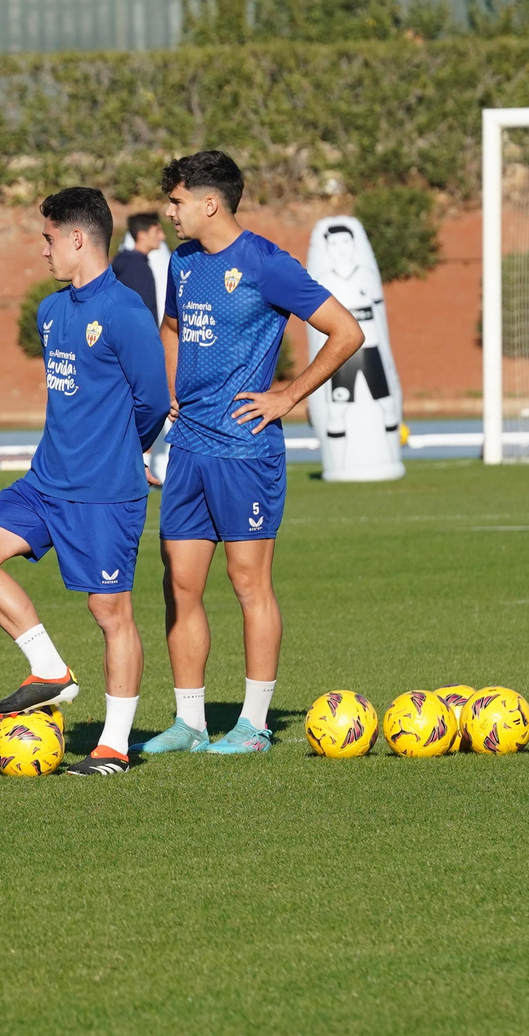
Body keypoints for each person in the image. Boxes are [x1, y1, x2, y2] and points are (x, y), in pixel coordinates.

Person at [140, 150, 364, 755]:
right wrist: (169, 396)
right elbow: (172, 327)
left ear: (210, 203)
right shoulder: (183, 264)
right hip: (188, 448)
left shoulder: (267, 263)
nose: (170, 212)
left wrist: (289, 394)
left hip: (245, 450)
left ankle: (255, 724)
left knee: (248, 582)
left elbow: (346, 331)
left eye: (178, 201)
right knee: (180, 583)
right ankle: (190, 723)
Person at [0, 188, 169, 776]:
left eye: (48, 238)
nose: (42, 249)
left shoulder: (125, 313)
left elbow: (152, 402)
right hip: (45, 483)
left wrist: (123, 454)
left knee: (110, 612)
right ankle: (50, 670)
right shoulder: (50, 312)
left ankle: (114, 747)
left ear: (77, 238)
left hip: (104, 494)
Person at [113, 212, 167, 324]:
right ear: (142, 235)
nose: (162, 236)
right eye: (157, 232)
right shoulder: (136, 267)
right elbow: (140, 311)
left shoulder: (130, 263)